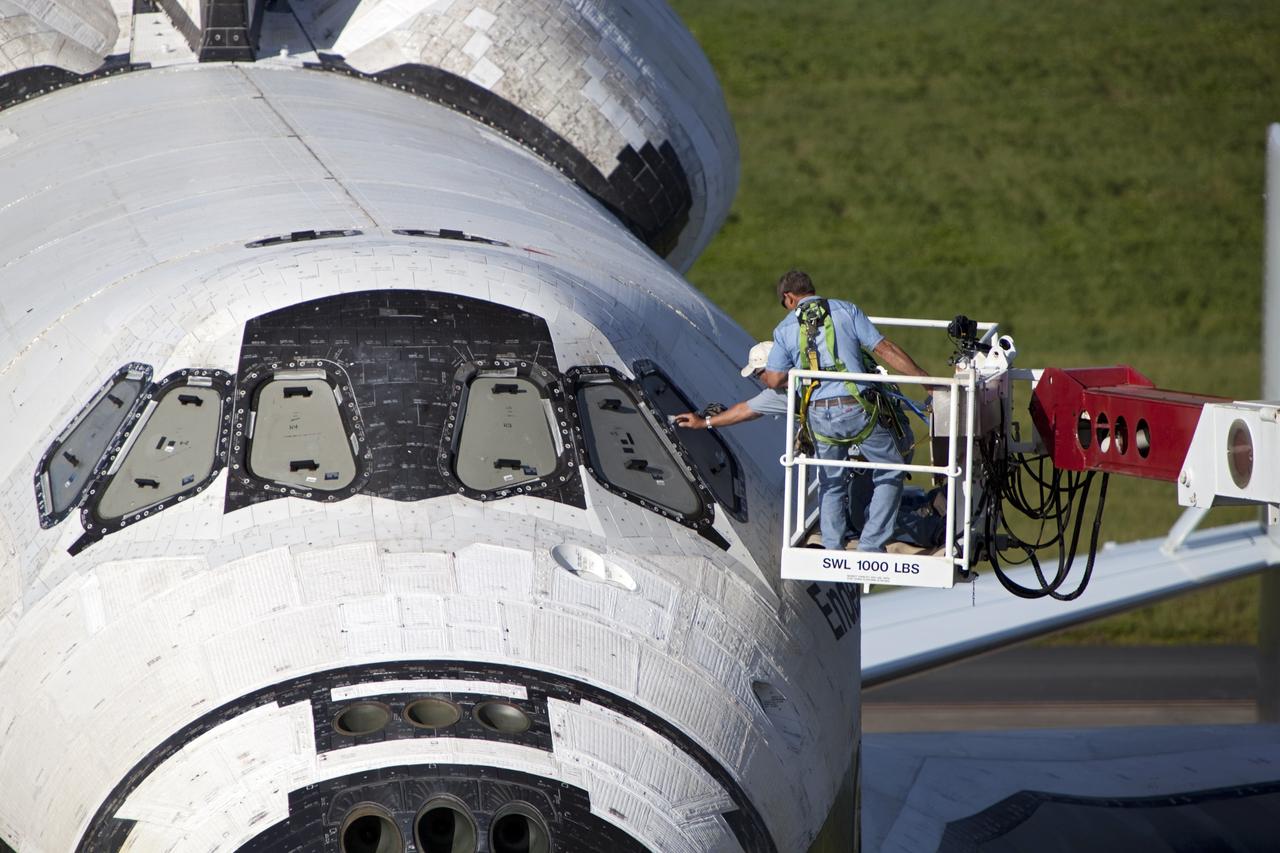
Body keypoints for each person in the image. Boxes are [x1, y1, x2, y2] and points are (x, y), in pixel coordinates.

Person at [758, 269, 933, 553]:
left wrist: (765, 376)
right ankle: (871, 543)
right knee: (890, 470)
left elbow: (776, 379)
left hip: (819, 415)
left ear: (789, 298)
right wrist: (926, 381)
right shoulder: (846, 310)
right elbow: (884, 349)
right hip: (857, 408)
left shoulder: (784, 328)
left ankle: (831, 545)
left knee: (831, 480)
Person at [672, 341, 790, 430]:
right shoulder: (776, 393)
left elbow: (743, 411)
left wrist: (703, 423)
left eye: (757, 374)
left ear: (770, 369)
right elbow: (743, 410)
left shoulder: (779, 392)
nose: (759, 380)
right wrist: (703, 423)